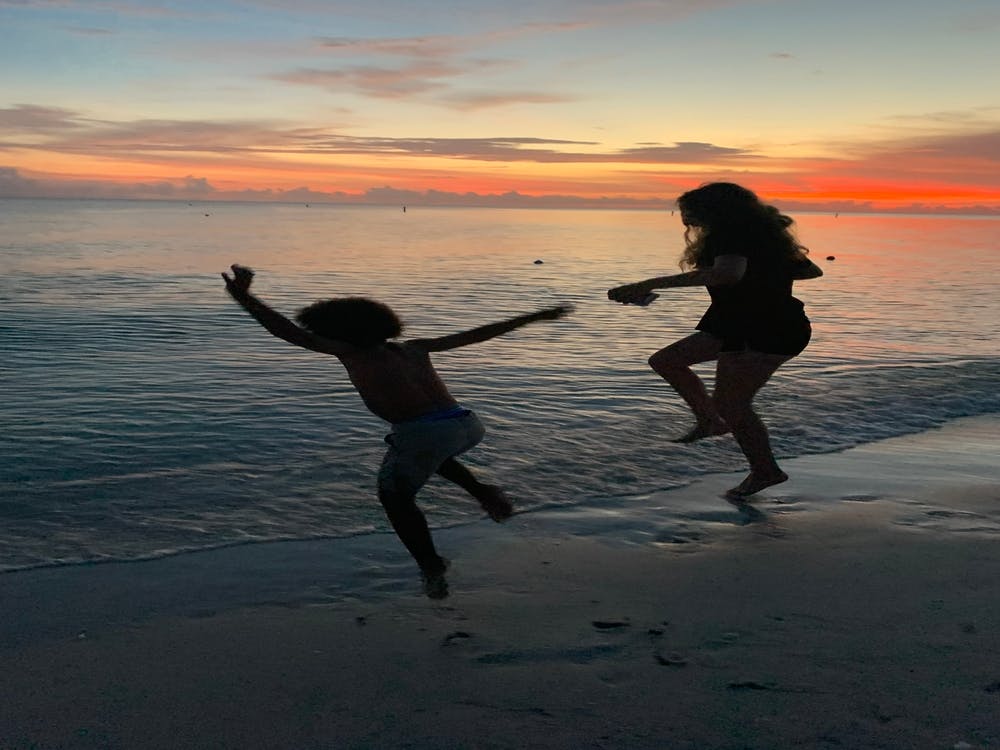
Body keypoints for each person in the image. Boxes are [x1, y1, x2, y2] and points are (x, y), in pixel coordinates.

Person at [222, 264, 572, 598]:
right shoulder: (414, 348)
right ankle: (483, 493)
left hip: (425, 433)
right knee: (424, 455)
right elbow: (477, 334)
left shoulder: (349, 352)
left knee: (395, 497)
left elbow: (287, 332)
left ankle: (431, 565)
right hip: (464, 423)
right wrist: (535, 316)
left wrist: (244, 298)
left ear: (338, 332)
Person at [607, 182, 823, 500]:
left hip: (765, 329)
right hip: (739, 324)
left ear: (713, 210)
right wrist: (765, 274)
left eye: (689, 208)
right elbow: (810, 271)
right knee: (666, 361)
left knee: (733, 404)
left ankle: (766, 470)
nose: (684, 215)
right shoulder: (759, 237)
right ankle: (709, 421)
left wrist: (647, 284)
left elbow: (727, 275)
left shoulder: (730, 235)